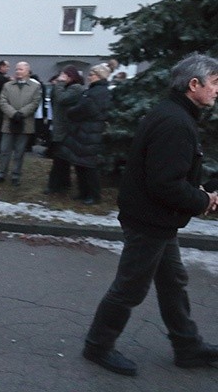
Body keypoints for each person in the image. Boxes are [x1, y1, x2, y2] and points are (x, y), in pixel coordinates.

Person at [82, 52, 218, 376]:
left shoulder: (175, 114)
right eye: (214, 83)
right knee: (130, 287)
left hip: (156, 218)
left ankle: (187, 346)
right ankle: (97, 346)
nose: (217, 90)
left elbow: (169, 176)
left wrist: (201, 193)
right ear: (193, 84)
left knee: (173, 282)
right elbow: (166, 185)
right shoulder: (175, 122)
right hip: (149, 220)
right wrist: (204, 200)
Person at [58, 63, 112, 204]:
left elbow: (84, 109)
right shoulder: (94, 90)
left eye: (91, 74)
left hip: (90, 133)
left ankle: (93, 195)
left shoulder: (98, 92)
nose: (89, 77)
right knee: (80, 164)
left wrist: (71, 112)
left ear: (99, 76)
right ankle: (83, 193)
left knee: (89, 166)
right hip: (84, 132)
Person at [0, 61, 42, 186]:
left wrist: (22, 113)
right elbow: (2, 101)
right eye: (16, 69)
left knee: (19, 151)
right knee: (4, 150)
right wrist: (13, 114)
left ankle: (16, 175)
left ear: (27, 71)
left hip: (25, 123)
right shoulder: (8, 85)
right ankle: (1, 173)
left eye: (20, 69)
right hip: (9, 122)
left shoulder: (35, 87)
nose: (17, 71)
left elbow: (35, 103)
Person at [44, 65, 85, 194]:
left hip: (66, 129)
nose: (61, 78)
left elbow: (62, 99)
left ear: (71, 76)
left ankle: (54, 186)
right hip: (60, 127)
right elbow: (54, 99)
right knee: (62, 158)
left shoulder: (76, 88)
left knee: (59, 159)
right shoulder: (66, 88)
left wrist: (60, 83)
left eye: (64, 75)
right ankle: (64, 183)